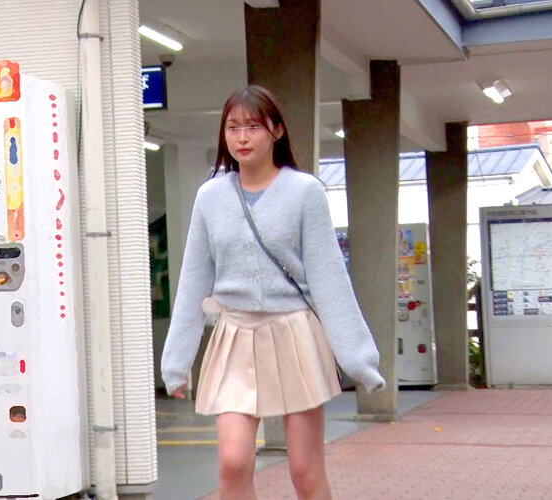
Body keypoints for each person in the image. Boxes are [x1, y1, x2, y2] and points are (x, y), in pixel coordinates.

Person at [161, 85, 385, 500]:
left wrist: (360, 360)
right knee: (232, 462)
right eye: (233, 128)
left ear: (277, 131)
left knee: (304, 470)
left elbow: (329, 279)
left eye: (253, 127)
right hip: (234, 336)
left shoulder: (305, 192)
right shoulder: (210, 197)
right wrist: (176, 363)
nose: (242, 137)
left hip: (294, 333)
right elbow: (193, 280)